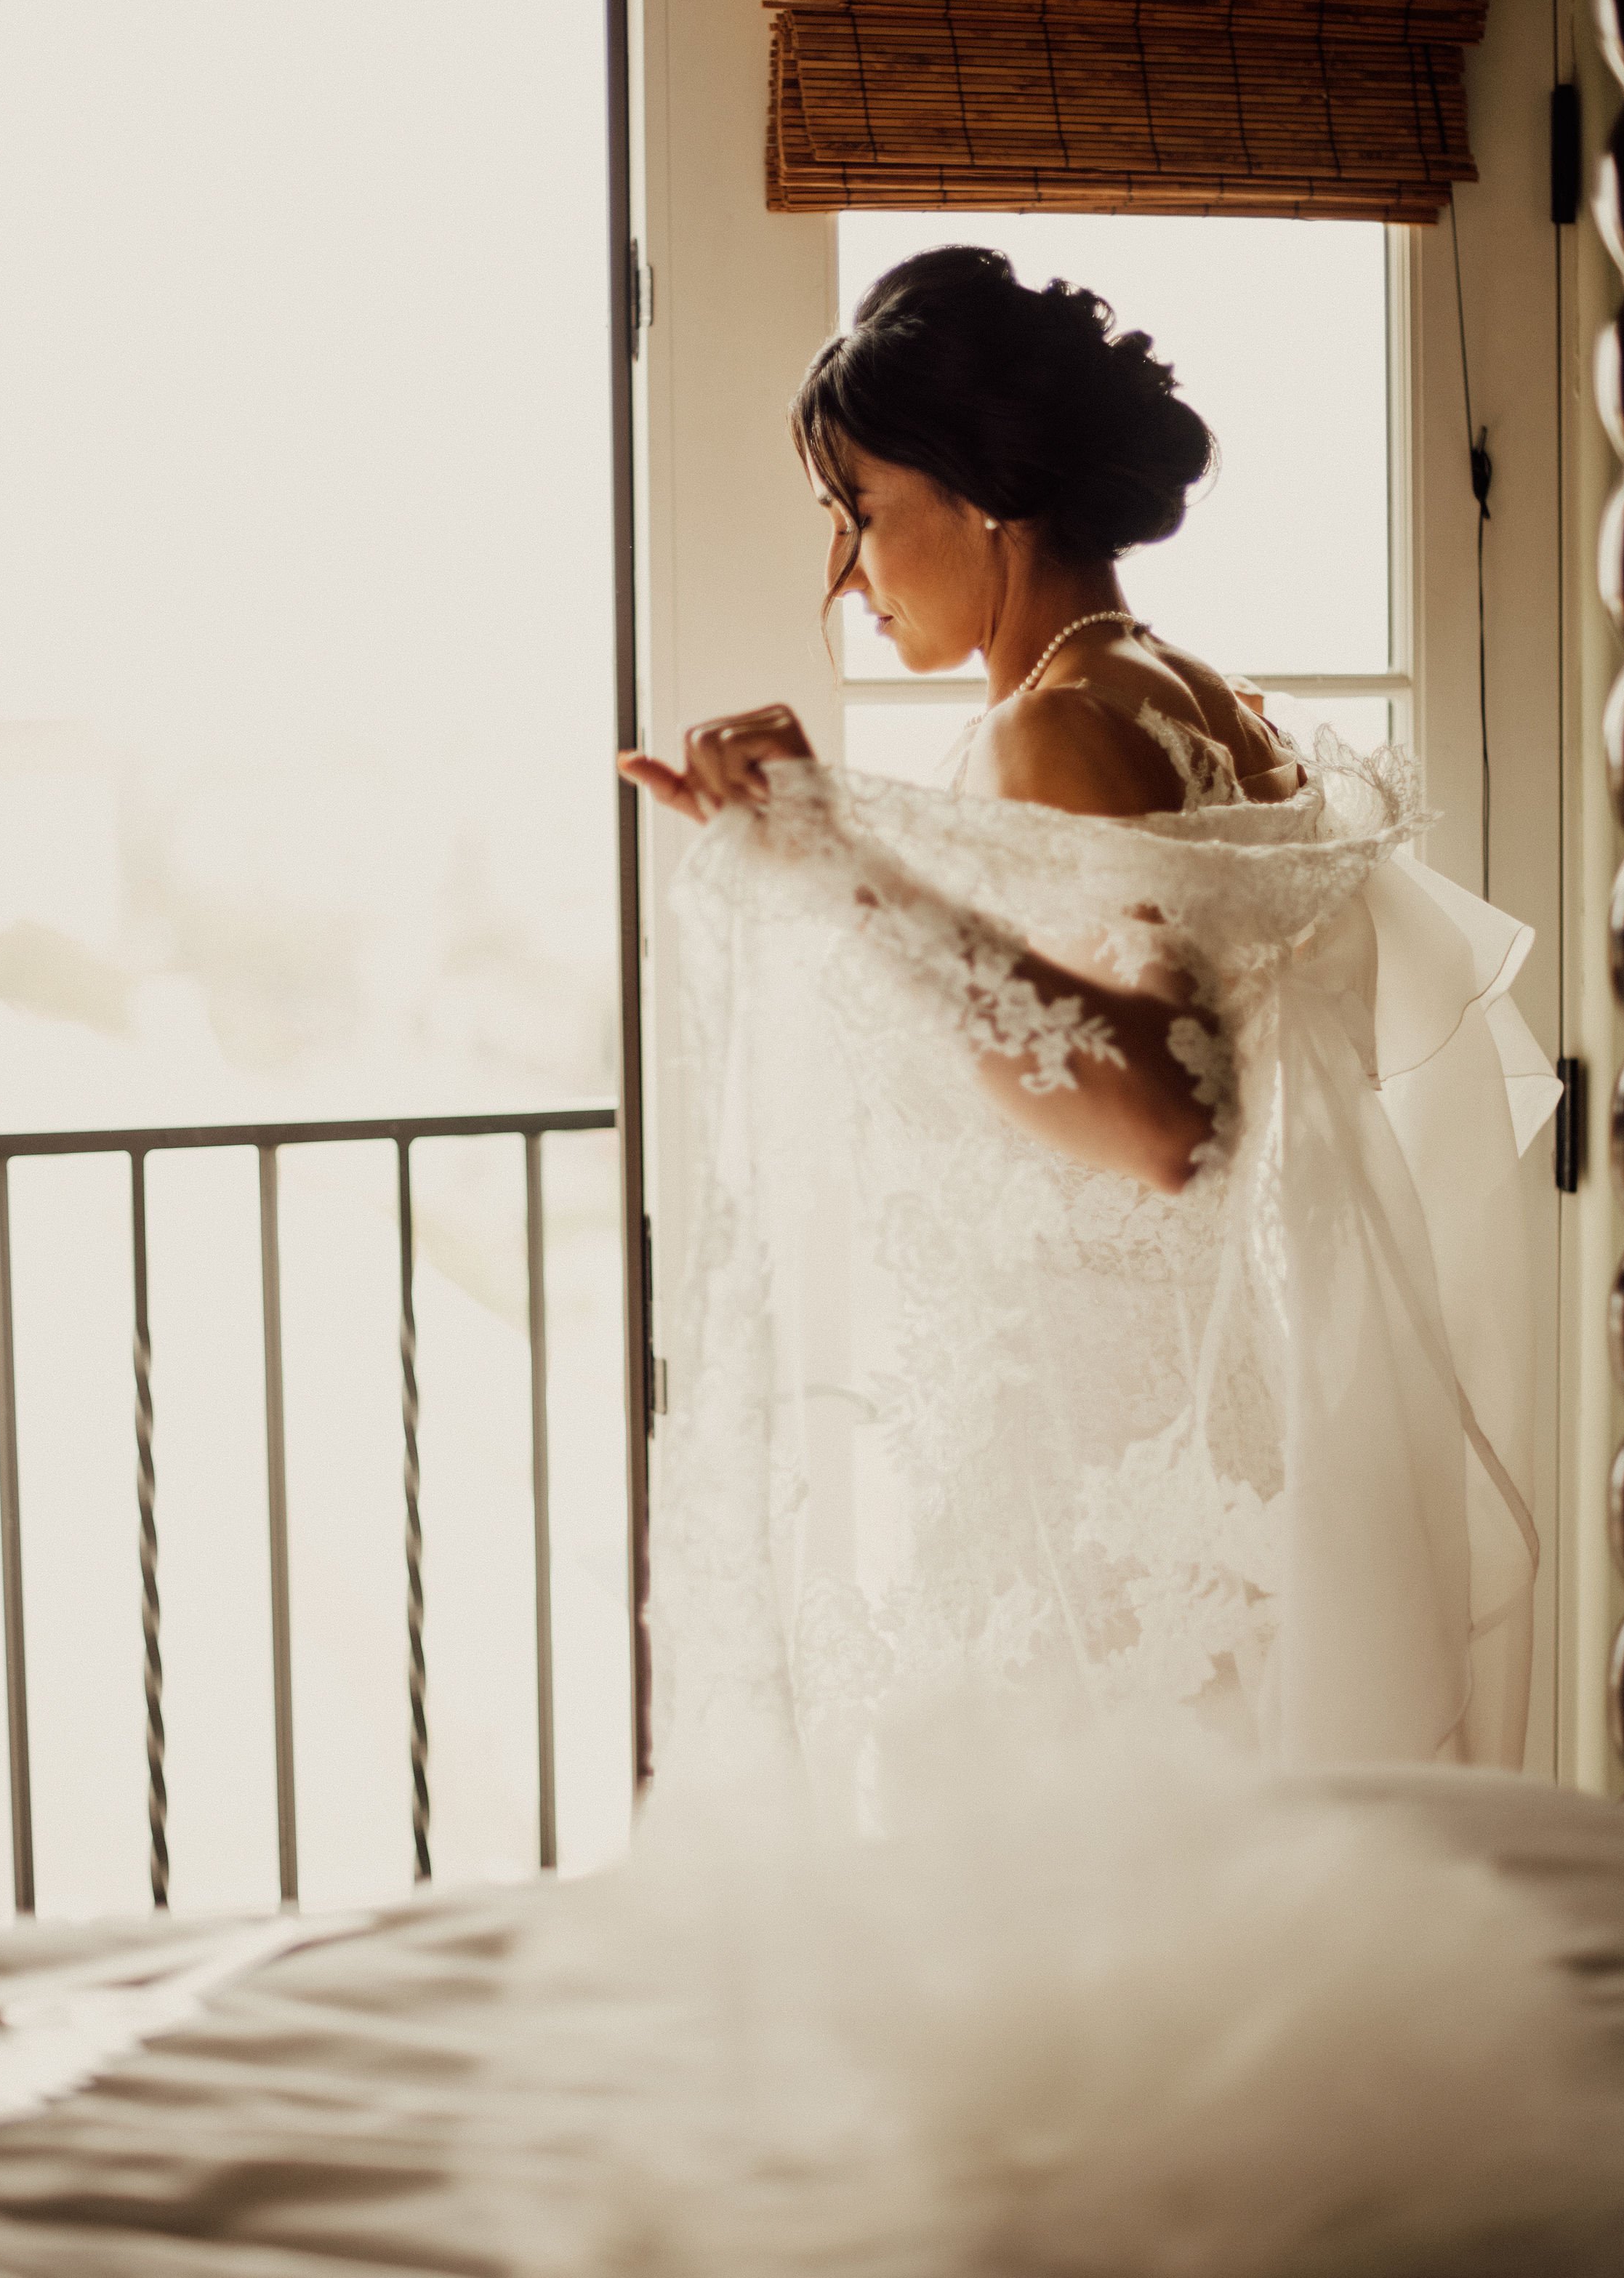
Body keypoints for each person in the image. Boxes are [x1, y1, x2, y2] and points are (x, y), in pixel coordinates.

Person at [622, 246, 1551, 1795]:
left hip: (1100, 1483)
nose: (842, 576)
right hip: (1209, 1435)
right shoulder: (1194, 695)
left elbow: (1161, 1119)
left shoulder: (1050, 726)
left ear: (983, 494)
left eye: (859, 514)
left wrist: (836, 865)